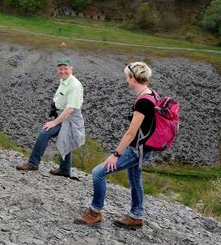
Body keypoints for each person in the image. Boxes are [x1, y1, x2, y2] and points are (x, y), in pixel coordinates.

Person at [75, 62, 156, 229]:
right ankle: (136, 215)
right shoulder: (152, 94)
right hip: (145, 148)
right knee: (135, 180)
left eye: (127, 77)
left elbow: (131, 133)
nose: (125, 80)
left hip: (136, 150)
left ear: (133, 78)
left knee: (98, 172)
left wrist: (116, 154)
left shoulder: (142, 102)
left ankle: (95, 212)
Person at [16, 58, 85, 177]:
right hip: (63, 115)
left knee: (45, 133)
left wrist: (54, 122)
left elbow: (70, 109)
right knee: (65, 140)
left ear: (71, 69)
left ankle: (33, 163)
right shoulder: (64, 80)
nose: (63, 71)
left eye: (65, 68)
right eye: (60, 68)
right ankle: (65, 170)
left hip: (70, 119)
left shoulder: (74, 85)